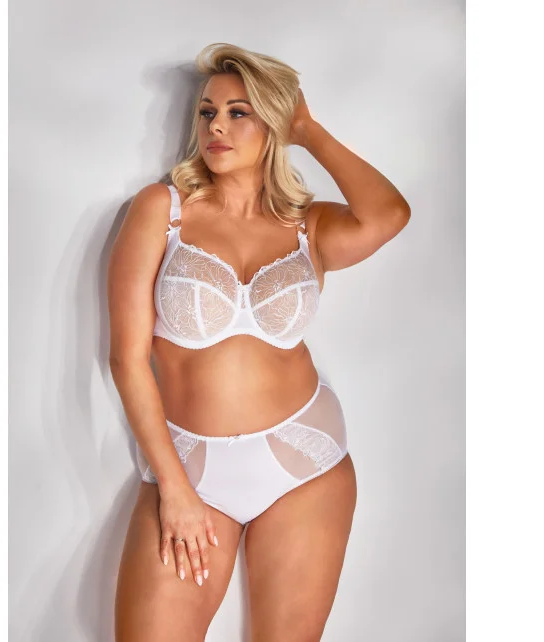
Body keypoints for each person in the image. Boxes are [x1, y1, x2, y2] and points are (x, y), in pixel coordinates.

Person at [108, 42, 410, 642]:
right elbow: (127, 359)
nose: (215, 126)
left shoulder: (309, 225)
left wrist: (309, 131)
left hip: (305, 463)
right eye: (206, 112)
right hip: (190, 468)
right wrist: (174, 488)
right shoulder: (163, 210)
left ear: (273, 123)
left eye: (238, 112)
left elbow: (388, 215)